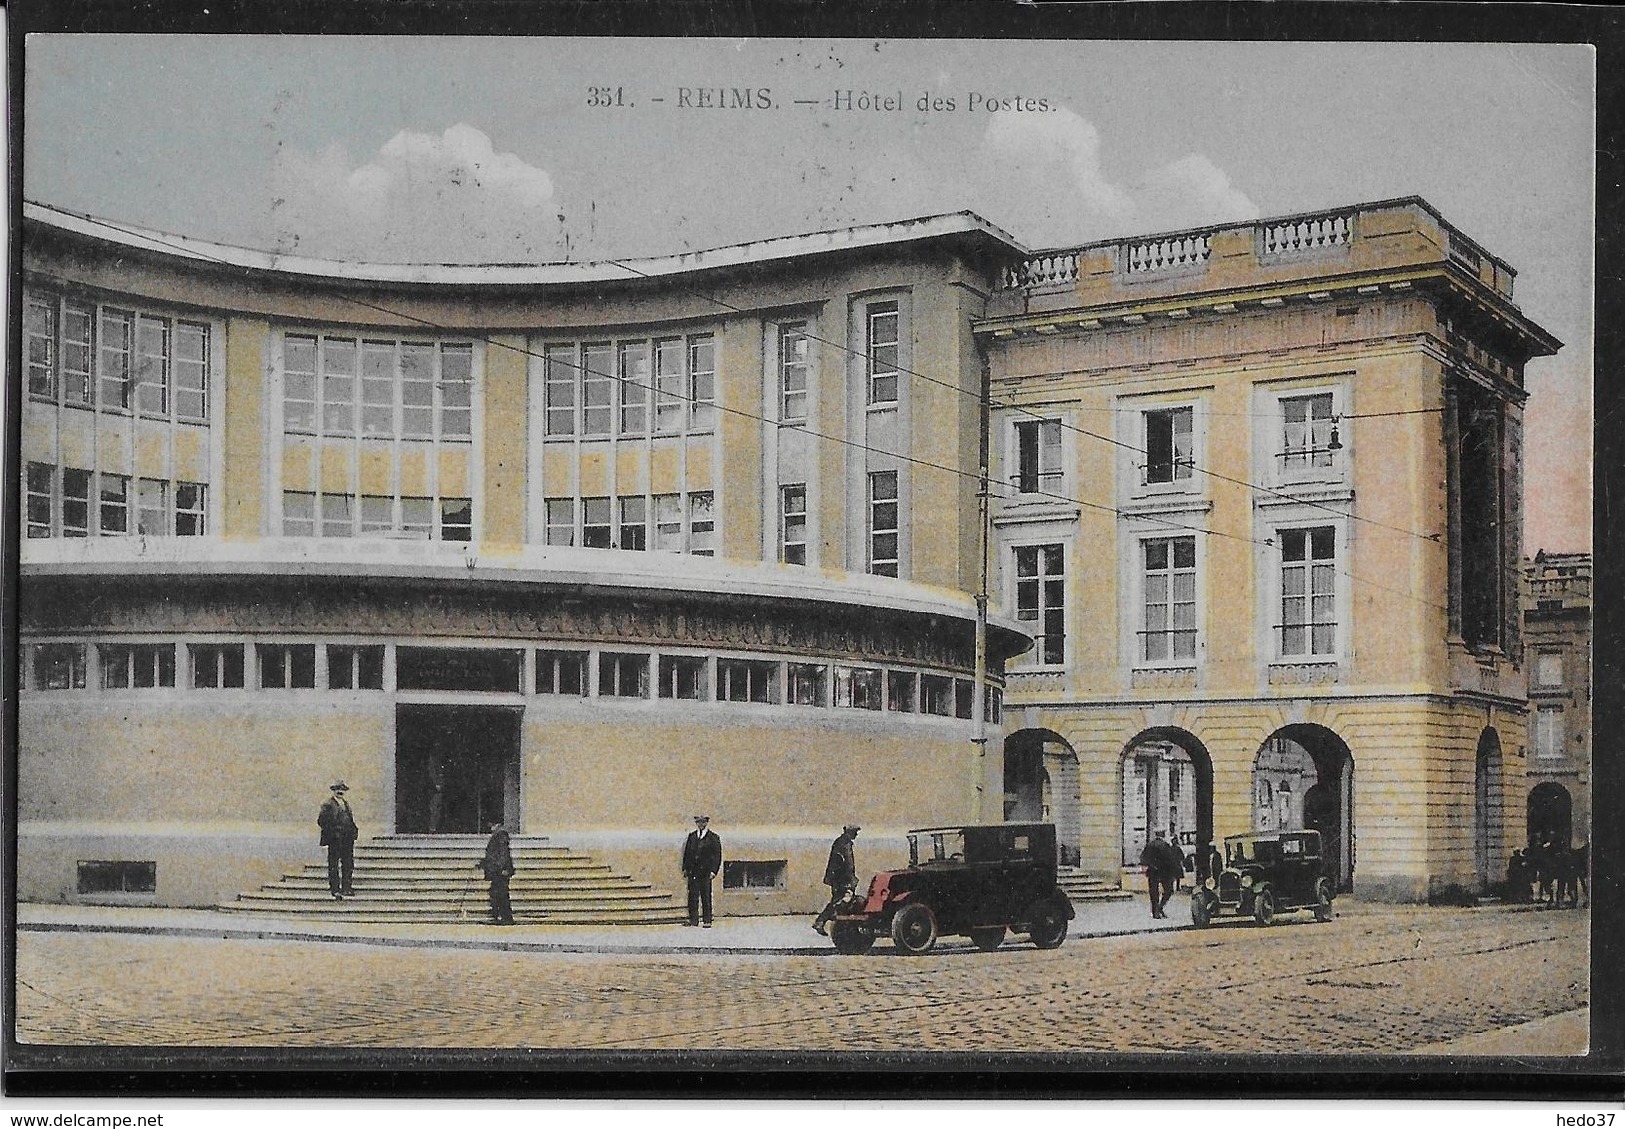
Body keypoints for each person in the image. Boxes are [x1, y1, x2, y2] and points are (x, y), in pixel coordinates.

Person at [812, 824, 861, 935]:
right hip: (841, 879)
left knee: (840, 900)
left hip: (839, 878)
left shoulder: (842, 842)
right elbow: (848, 864)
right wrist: (851, 880)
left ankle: (829, 920)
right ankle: (822, 921)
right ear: (849, 831)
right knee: (840, 900)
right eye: (855, 832)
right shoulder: (844, 844)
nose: (856, 834)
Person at [317, 779, 359, 899]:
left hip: (347, 838)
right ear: (333, 791)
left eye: (342, 789)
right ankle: (335, 889)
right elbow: (321, 821)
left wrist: (354, 831)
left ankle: (347, 888)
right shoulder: (328, 805)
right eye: (337, 789)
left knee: (348, 864)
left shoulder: (346, 804)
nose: (340, 791)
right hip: (335, 839)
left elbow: (350, 820)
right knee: (334, 864)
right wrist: (332, 832)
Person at [681, 814, 722, 927]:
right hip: (693, 872)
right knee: (693, 896)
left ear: (706, 823)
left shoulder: (713, 837)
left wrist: (714, 871)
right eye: (698, 822)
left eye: (703, 822)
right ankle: (693, 919)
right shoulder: (692, 837)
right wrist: (685, 868)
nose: (701, 824)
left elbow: (717, 855)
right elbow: (687, 853)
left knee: (706, 895)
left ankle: (707, 920)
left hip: (706, 872)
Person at [479, 820, 515, 925]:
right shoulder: (498, 835)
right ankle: (499, 915)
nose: (490, 828)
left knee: (501, 894)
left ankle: (505, 917)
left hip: (500, 872)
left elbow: (502, 854)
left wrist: (501, 868)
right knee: (496, 893)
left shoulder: (501, 835)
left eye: (491, 825)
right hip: (497, 871)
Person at [1139, 831, 1172, 919]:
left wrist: (1146, 866)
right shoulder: (1165, 845)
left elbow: (1143, 857)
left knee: (1153, 892)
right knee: (1168, 890)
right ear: (1163, 835)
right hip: (1164, 872)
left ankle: (1155, 912)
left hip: (1152, 871)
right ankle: (1160, 907)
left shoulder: (1150, 845)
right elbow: (1170, 859)